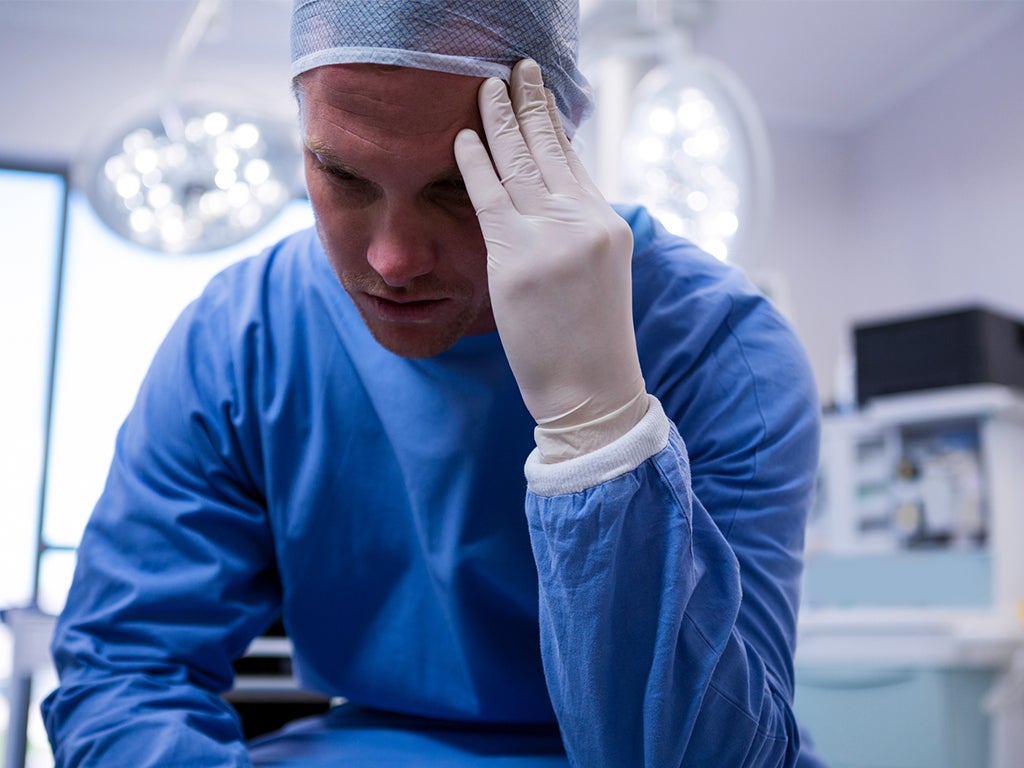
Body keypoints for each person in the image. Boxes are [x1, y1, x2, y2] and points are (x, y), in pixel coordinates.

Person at [42, 1, 824, 765]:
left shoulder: (724, 352)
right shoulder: (244, 336)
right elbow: (122, 671)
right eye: (343, 176)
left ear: (558, 147)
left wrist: (600, 430)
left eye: (457, 189)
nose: (393, 260)